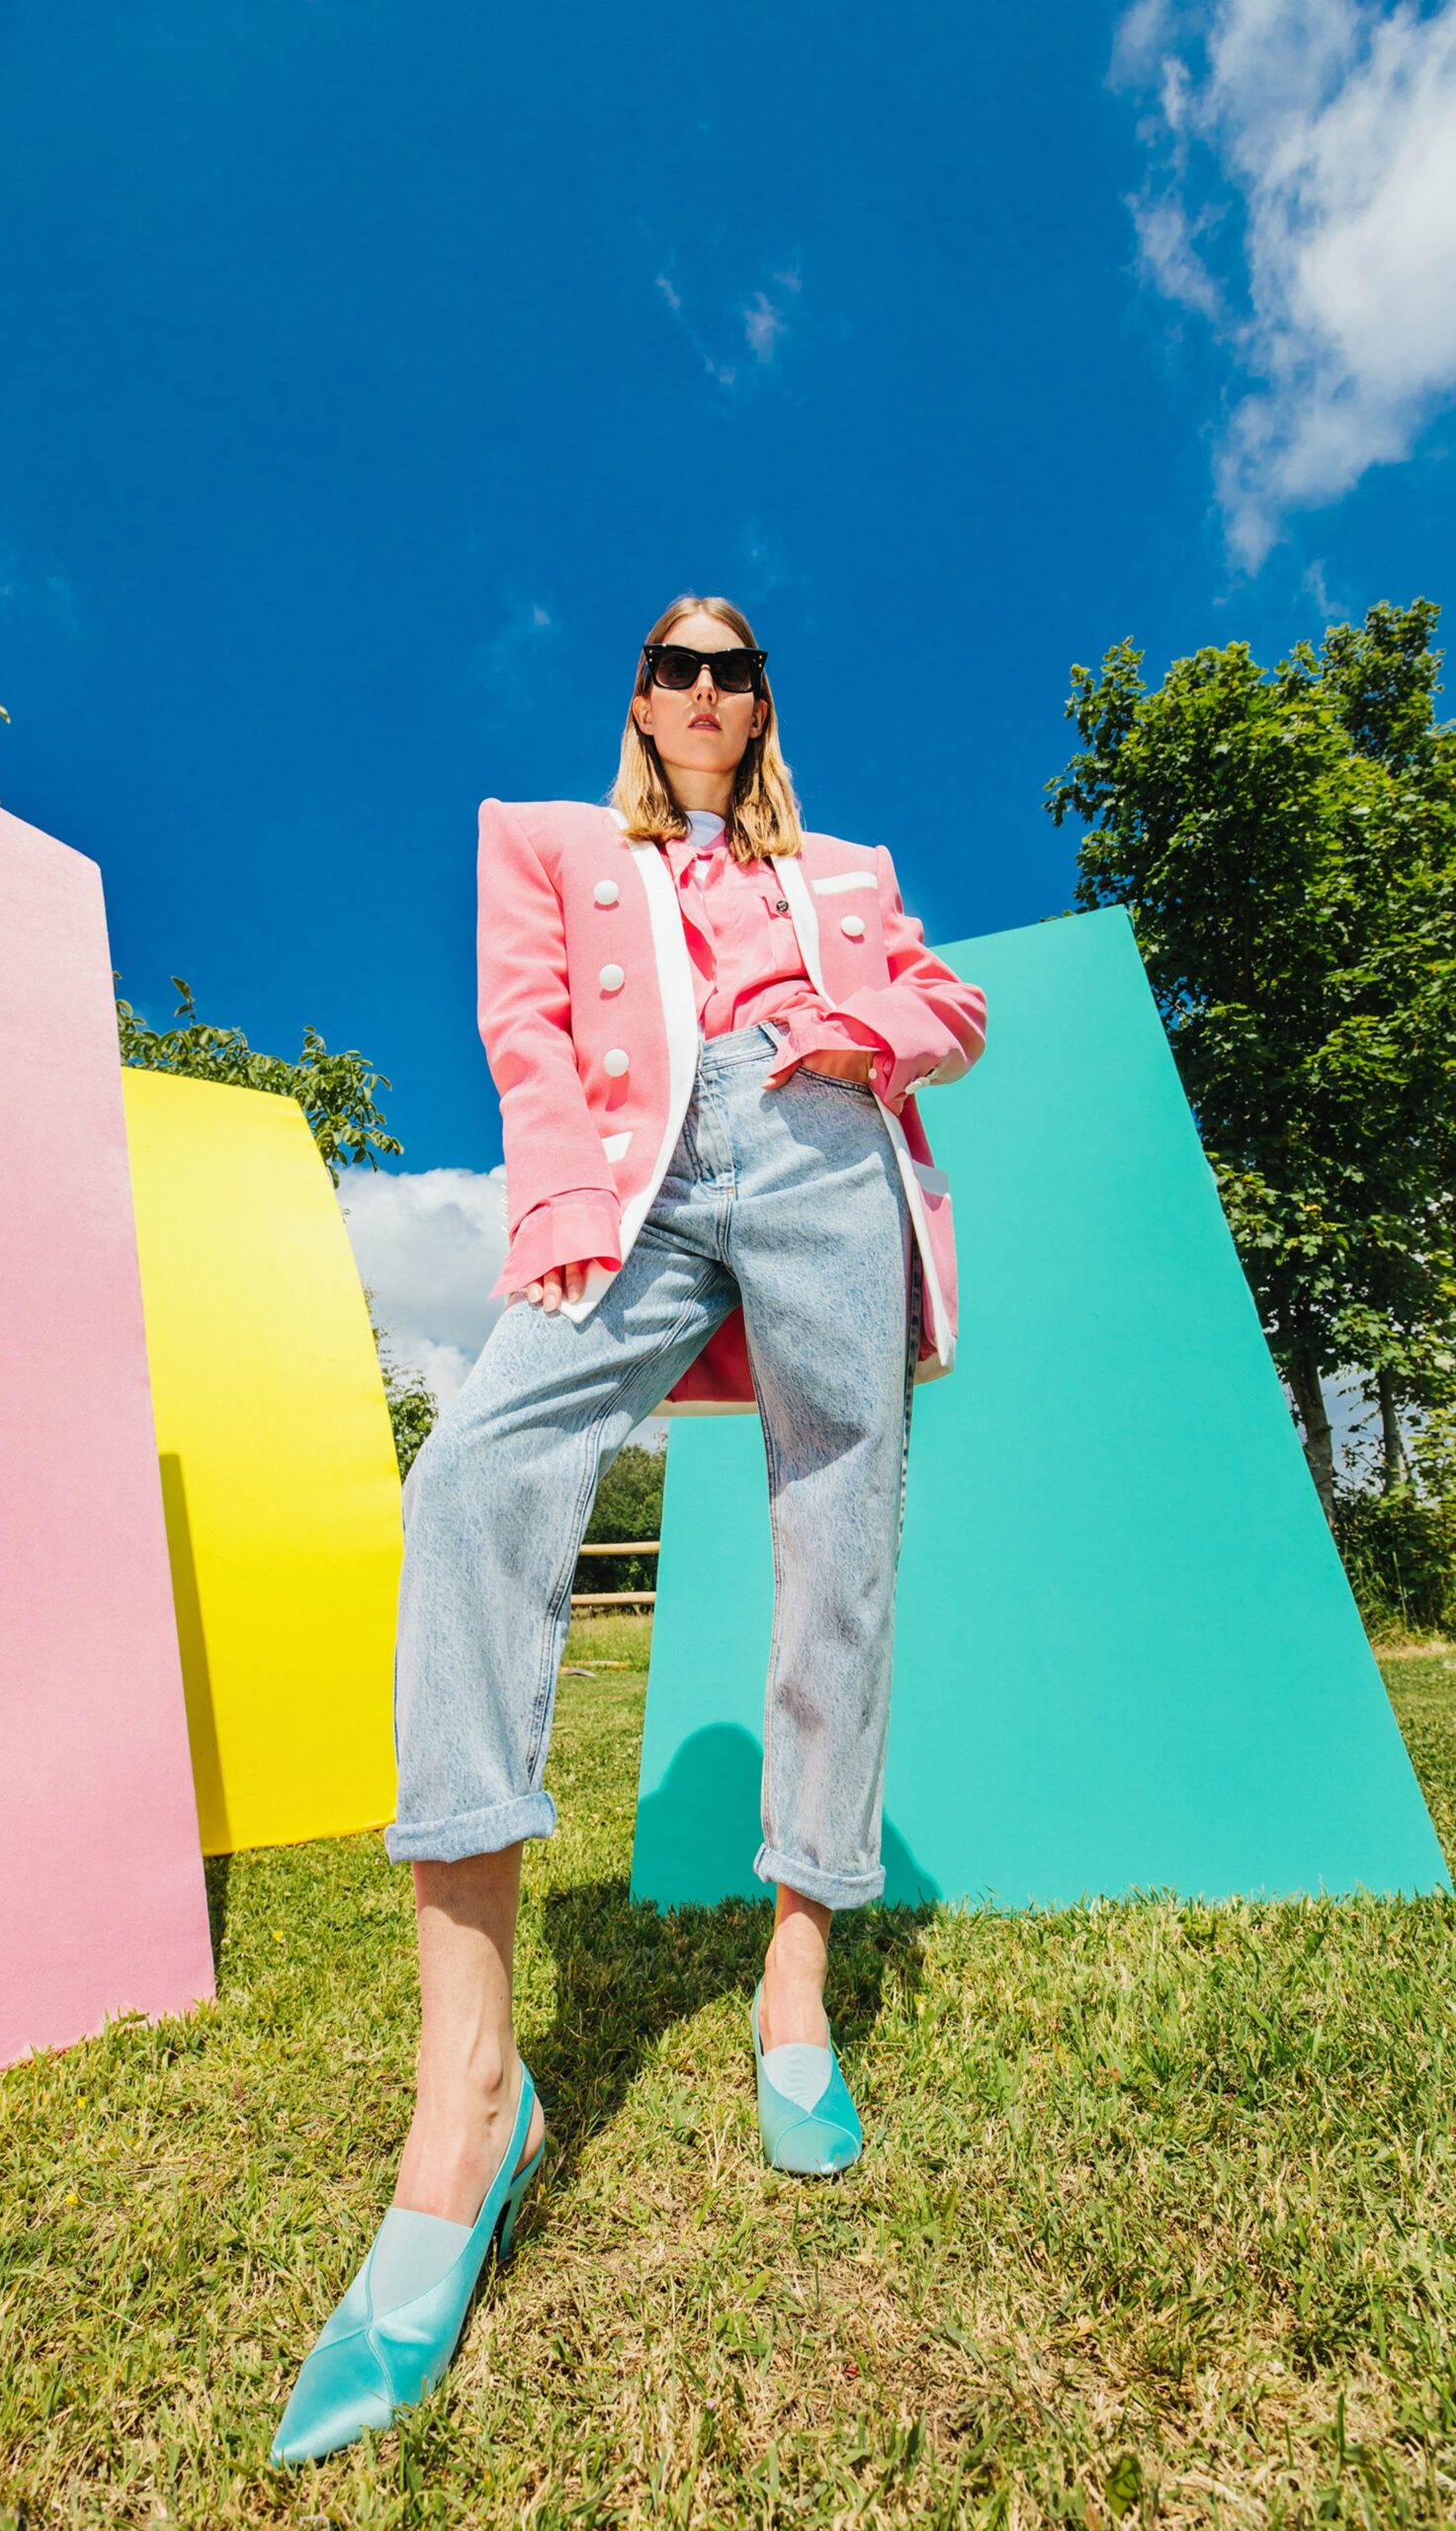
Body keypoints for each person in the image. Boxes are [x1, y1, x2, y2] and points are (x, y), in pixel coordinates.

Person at [271, 595, 987, 2466]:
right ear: (639, 698)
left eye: (733, 664)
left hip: (826, 1148)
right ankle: (470, 2090)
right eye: (671, 661)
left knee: (843, 1550)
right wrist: (564, 1198)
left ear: (763, 705)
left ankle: (796, 1993)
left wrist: (853, 1023)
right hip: (649, 1171)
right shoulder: (555, 845)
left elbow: (948, 1005)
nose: (701, 688)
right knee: (478, 1476)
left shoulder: (847, 864)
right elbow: (527, 1032)